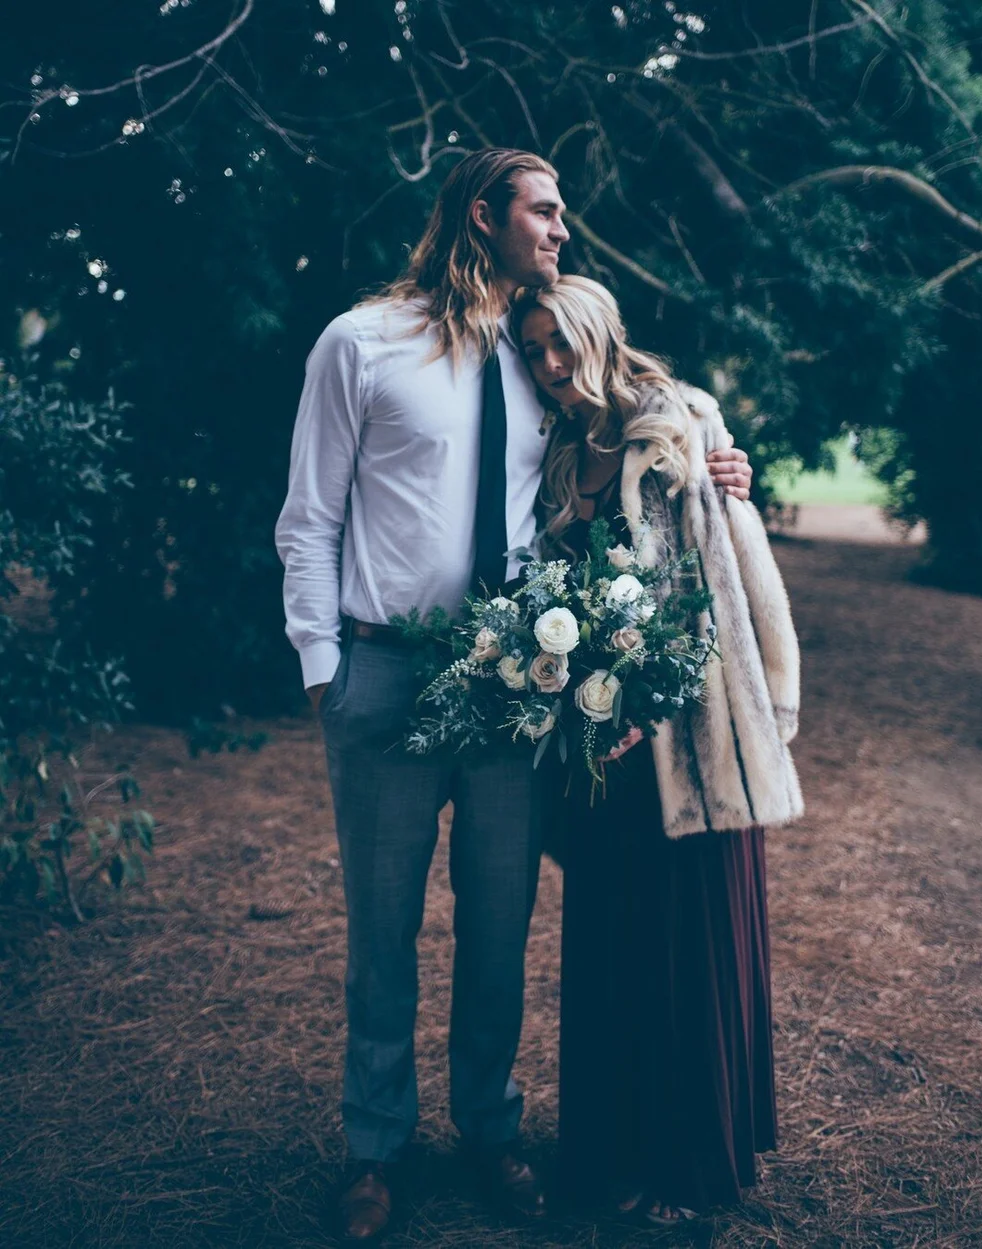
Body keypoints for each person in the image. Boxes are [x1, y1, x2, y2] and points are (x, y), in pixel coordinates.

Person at [275, 150, 753, 1241]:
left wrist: (724, 459)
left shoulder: (540, 353)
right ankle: (373, 1150)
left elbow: (645, 418)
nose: (559, 228)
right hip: (385, 671)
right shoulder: (362, 344)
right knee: (381, 932)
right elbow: (309, 517)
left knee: (500, 927)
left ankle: (488, 1132)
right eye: (542, 209)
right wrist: (324, 672)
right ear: (483, 214)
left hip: (512, 684)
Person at [514, 274, 802, 1226]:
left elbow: (738, 562)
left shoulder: (681, 419)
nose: (551, 366)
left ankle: (689, 1165)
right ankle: (609, 1156)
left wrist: (772, 690)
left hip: (692, 731)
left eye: (563, 343)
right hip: (599, 736)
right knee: (609, 943)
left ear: (598, 333)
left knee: (686, 939)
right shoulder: (555, 450)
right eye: (536, 351)